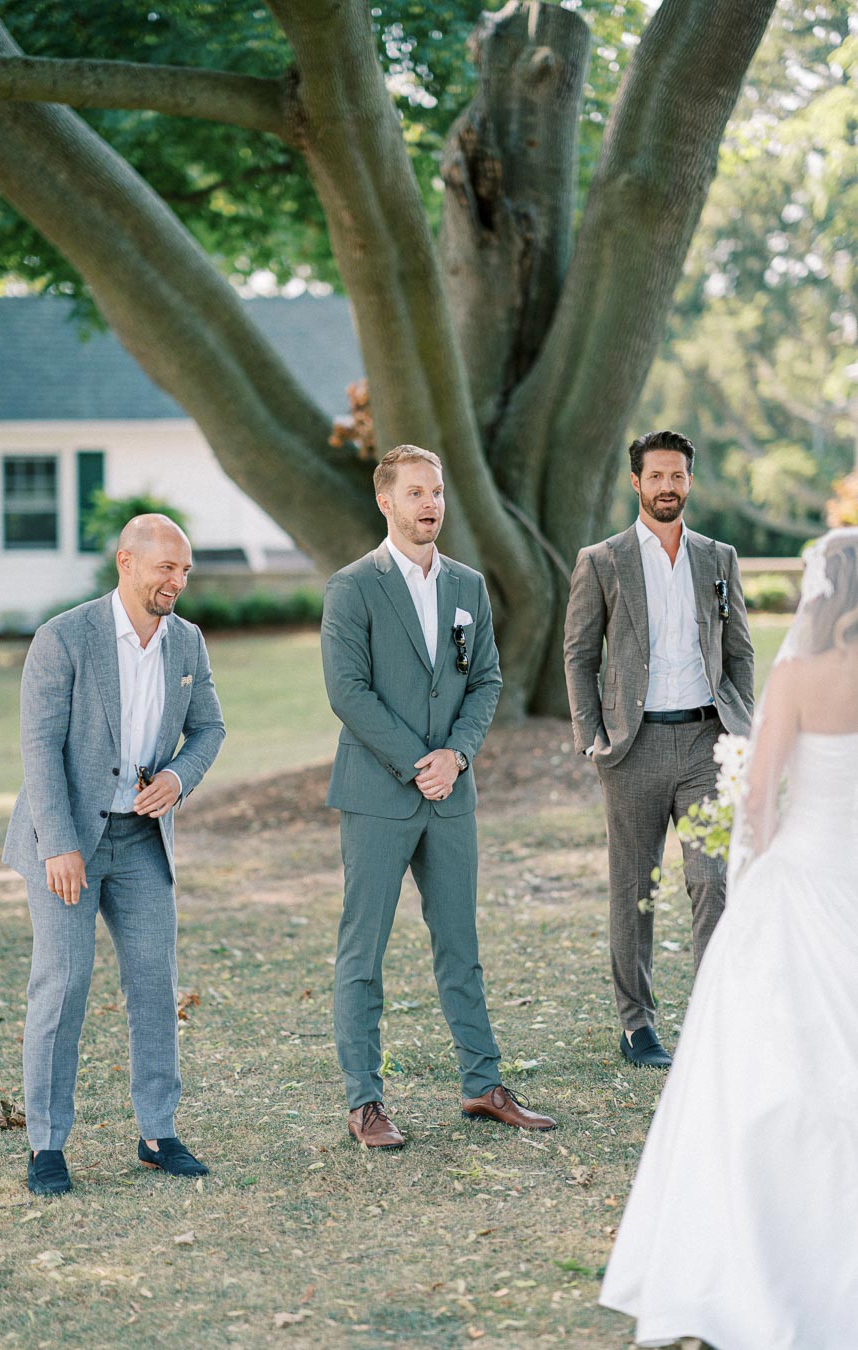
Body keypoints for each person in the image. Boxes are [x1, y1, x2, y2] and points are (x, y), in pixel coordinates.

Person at [599, 526, 858, 1348]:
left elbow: (757, 798)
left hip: (804, 873)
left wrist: (758, 871)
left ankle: (761, 1241)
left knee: (771, 1057)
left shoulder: (800, 676)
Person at [321, 444, 555, 1148]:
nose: (431, 505)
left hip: (451, 793)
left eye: (438, 492)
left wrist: (455, 756)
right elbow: (347, 692)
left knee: (461, 944)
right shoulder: (353, 587)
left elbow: (485, 679)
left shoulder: (469, 587)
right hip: (378, 794)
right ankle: (365, 1102)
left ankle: (483, 1085)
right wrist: (417, 761)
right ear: (385, 501)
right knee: (363, 953)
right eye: (416, 492)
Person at [3, 514, 226, 1195]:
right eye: (167, 568)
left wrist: (178, 777)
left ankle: (158, 1133)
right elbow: (38, 747)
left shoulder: (186, 642)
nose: (177, 582)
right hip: (66, 842)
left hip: (140, 844)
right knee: (63, 986)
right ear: (127, 562)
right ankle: (46, 1144)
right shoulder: (65, 637)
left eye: (185, 571)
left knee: (155, 986)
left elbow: (209, 727)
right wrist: (59, 844)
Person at [564, 430, 754, 1067]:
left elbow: (740, 653)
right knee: (634, 887)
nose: (667, 487)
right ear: (636, 482)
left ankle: (713, 1016)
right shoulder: (602, 560)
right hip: (633, 747)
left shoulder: (718, 557)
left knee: (712, 879)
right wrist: (593, 735)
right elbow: (580, 653)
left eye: (677, 476)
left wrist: (742, 731)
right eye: (656, 477)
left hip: (707, 740)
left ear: (689, 482)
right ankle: (636, 1026)